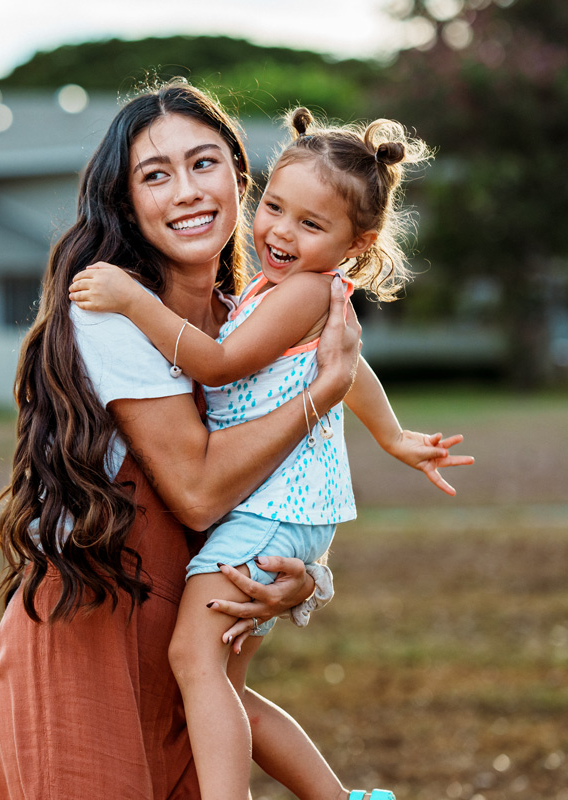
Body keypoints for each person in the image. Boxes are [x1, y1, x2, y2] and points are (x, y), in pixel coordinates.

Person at [0, 81, 383, 800]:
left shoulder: (247, 323)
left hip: (186, 660)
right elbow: (200, 494)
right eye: (155, 175)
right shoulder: (112, 316)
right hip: (86, 636)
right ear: (128, 201)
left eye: (203, 164)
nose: (186, 192)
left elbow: (286, 484)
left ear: (240, 177)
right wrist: (321, 394)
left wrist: (300, 581)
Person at [68, 107, 474, 800]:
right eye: (276, 209)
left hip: (273, 510)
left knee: (191, 658)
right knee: (222, 682)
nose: (281, 232)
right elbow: (347, 366)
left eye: (310, 225)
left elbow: (219, 364)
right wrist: (390, 434)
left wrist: (134, 302)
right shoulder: (283, 291)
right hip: (279, 509)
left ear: (357, 242)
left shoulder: (307, 291)